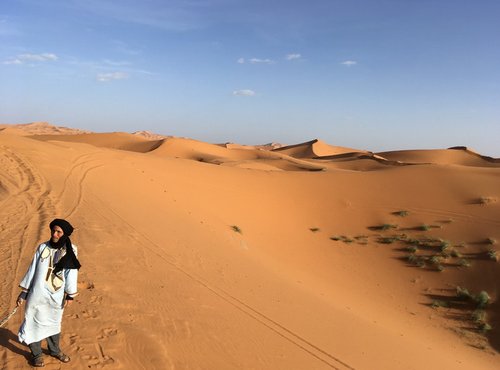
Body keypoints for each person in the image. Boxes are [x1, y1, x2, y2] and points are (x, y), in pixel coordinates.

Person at [16, 219, 81, 367]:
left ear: (64, 234)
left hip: (56, 296)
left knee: (53, 324)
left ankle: (54, 350)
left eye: (59, 232)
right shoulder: (42, 247)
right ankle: (37, 354)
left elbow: (71, 273)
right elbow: (32, 269)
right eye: (53, 230)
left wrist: (70, 294)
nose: (55, 234)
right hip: (36, 294)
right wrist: (24, 293)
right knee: (32, 323)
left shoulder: (71, 250)